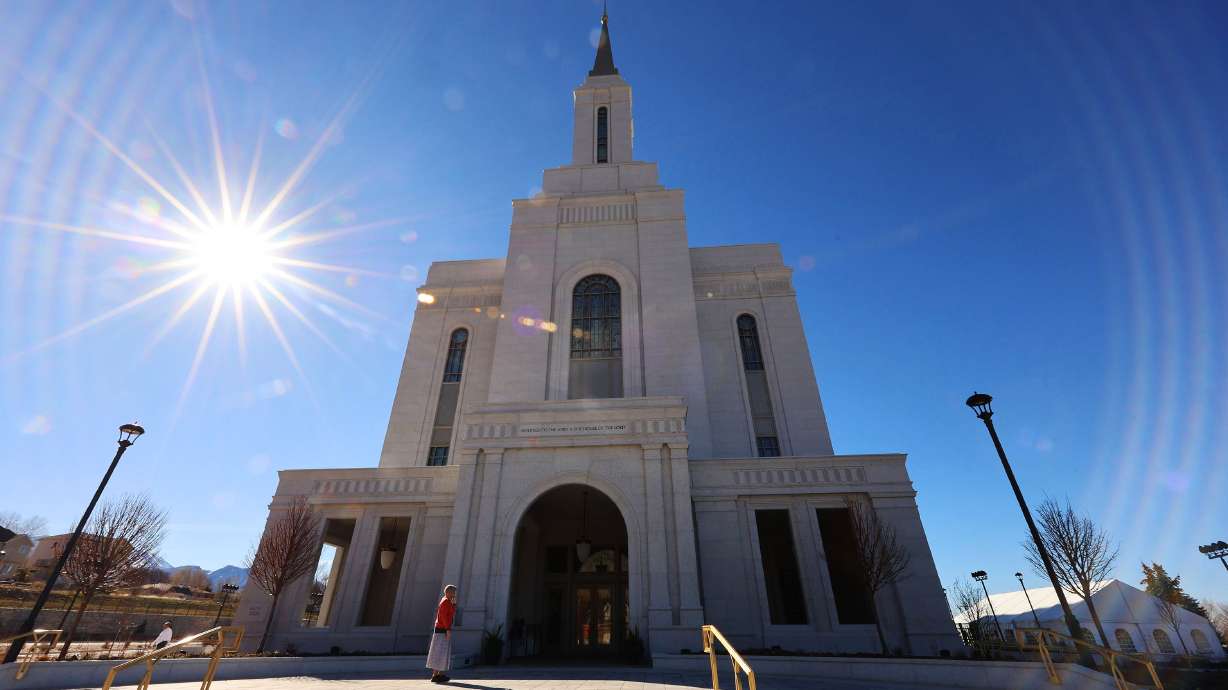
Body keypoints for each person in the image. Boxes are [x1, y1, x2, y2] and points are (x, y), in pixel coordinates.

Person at [426, 585, 457, 684]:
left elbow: (451, 613)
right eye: (453, 592)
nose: (454, 594)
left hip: (443, 629)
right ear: (448, 592)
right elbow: (444, 617)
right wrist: (447, 629)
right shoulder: (445, 602)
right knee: (439, 652)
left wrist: (454, 605)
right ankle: (435, 675)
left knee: (442, 652)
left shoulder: (448, 602)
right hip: (442, 630)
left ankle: (439, 674)